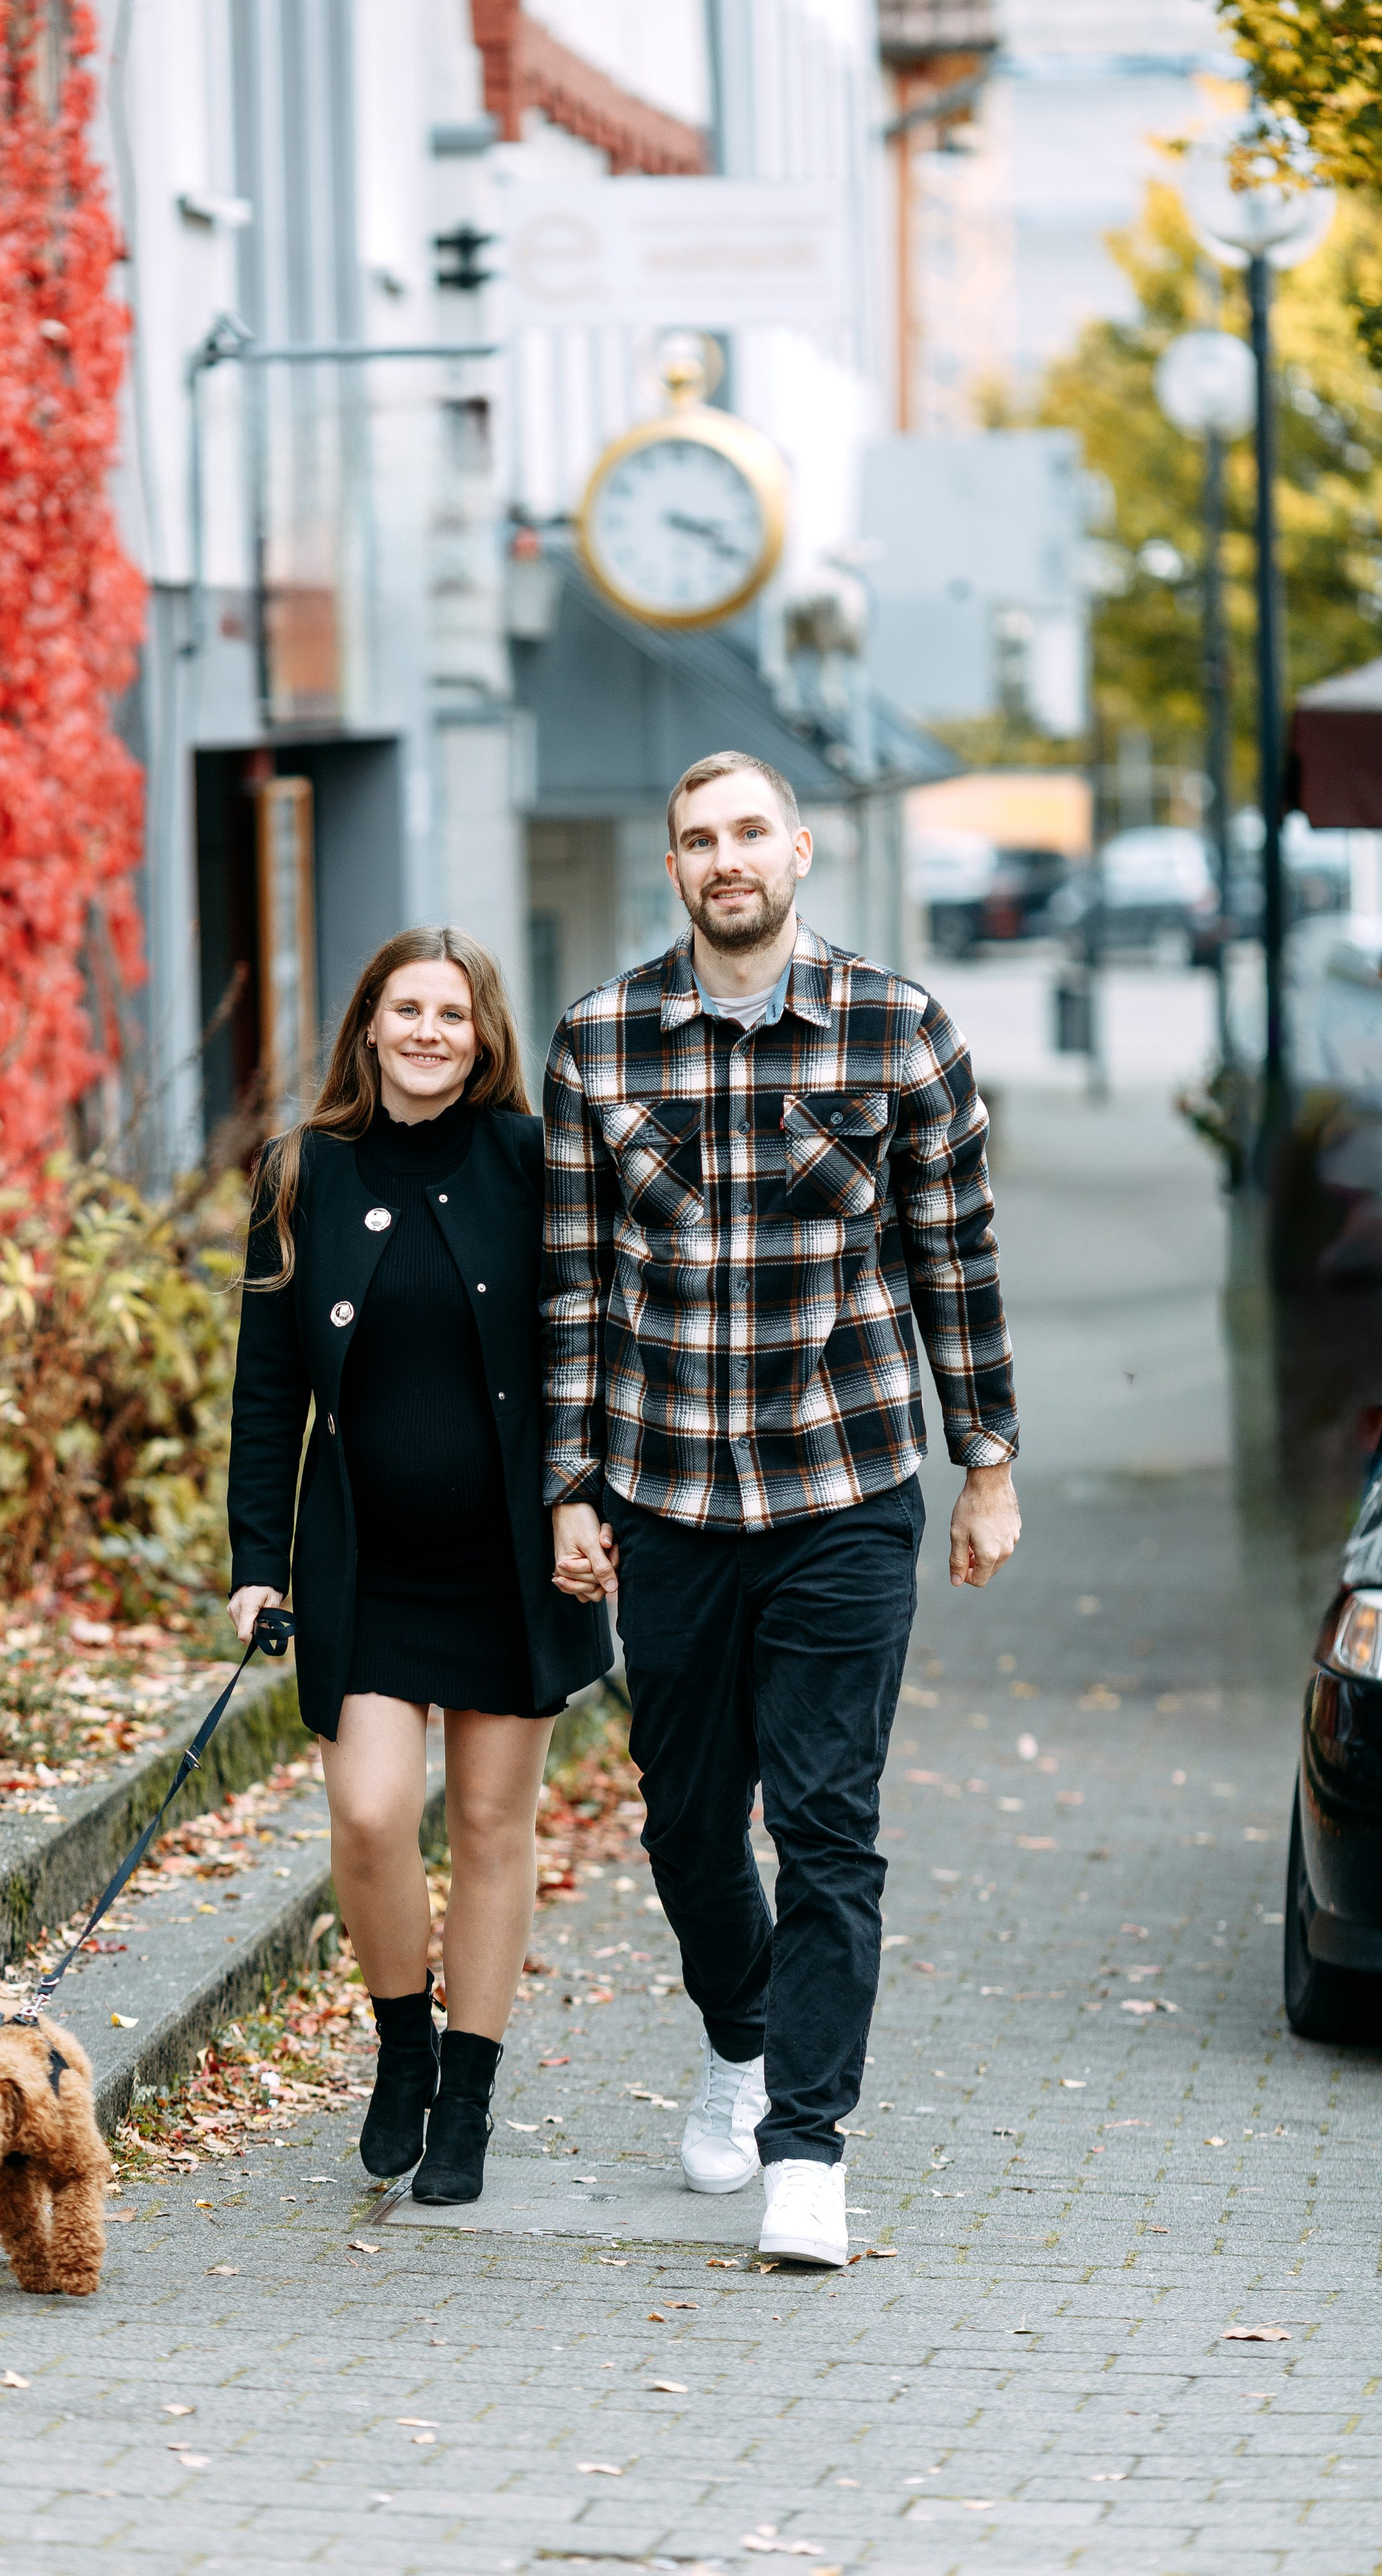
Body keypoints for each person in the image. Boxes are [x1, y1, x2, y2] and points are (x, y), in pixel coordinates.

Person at [542, 749, 1021, 2267]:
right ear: (671, 867)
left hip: (842, 1487)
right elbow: (571, 1289)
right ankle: (739, 2044)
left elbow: (954, 1257)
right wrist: (567, 1482)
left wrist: (987, 1461)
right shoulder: (601, 1043)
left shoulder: (896, 1029)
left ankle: (806, 2147)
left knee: (825, 1824)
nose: (724, 858)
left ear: (800, 851)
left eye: (749, 831)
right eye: (697, 838)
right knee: (685, 1821)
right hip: (668, 1496)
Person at [226, 928, 610, 2204]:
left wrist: (586, 1501)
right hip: (367, 1568)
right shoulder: (301, 1175)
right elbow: (267, 1387)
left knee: (496, 1831)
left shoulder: (538, 1165)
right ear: (371, 1026)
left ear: (484, 1032)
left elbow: (586, 1354)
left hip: (510, 1567)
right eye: (409, 1010)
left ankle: (471, 2096)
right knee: (374, 1815)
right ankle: (403, 2043)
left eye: (454, 1012)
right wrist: (256, 1559)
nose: (431, 1031)